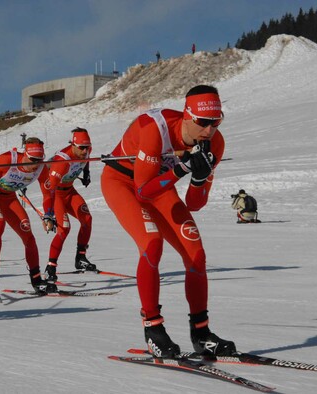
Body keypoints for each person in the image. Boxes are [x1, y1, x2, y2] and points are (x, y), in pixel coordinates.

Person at [101, 85, 236, 358]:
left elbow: (195, 204)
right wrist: (181, 168)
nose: (209, 130)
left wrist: (198, 178)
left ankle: (201, 333)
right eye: (202, 122)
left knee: (195, 254)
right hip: (122, 182)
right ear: (187, 115)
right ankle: (153, 328)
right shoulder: (154, 127)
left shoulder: (215, 144)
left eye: (216, 122)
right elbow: (142, 190)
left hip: (160, 186)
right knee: (152, 243)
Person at [0, 137, 57, 295]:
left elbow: (47, 194)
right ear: (25, 154)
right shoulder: (7, 159)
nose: (35, 164)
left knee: (28, 234)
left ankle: (36, 280)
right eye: (32, 159)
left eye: (39, 159)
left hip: (9, 198)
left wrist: (48, 215)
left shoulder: (41, 169)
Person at [44, 128, 95, 283]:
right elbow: (50, 190)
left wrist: (86, 174)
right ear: (73, 144)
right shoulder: (62, 160)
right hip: (57, 194)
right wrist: (49, 214)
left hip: (69, 191)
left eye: (87, 147)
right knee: (64, 228)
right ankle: (50, 266)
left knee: (87, 219)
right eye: (82, 148)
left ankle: (81, 258)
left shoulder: (86, 151)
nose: (85, 151)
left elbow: (86, 161)